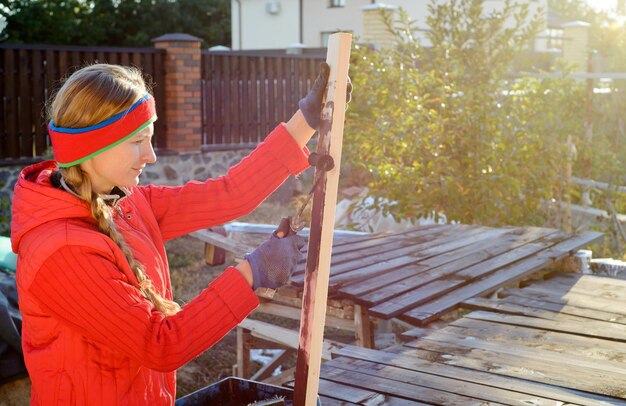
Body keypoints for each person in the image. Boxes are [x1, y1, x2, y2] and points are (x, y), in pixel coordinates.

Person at [10, 62, 336, 405]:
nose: (150, 156)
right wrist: (253, 273)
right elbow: (161, 344)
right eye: (138, 141)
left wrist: (306, 121)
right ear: (94, 145)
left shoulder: (125, 202)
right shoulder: (60, 253)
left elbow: (229, 194)